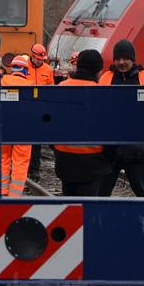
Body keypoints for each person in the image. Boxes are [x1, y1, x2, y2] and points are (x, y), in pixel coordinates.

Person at [98, 39, 144, 197]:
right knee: (100, 195)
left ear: (132, 59)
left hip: (136, 149)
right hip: (110, 149)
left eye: (125, 58)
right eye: (118, 59)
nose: (121, 62)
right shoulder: (105, 78)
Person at [53, 49, 114, 196]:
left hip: (64, 160)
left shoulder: (61, 88)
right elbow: (110, 130)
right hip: (92, 163)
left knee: (69, 205)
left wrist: (57, 148)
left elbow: (51, 123)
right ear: (98, 71)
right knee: (88, 209)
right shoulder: (102, 94)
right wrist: (109, 158)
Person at [0, 56, 35, 196]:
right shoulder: (31, 84)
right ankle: (15, 195)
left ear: (12, 68)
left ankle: (2, 191)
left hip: (3, 127)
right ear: (25, 70)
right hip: (24, 129)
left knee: (2, 159)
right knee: (20, 162)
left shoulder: (2, 80)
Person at [26, 44, 54, 182]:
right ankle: (25, 169)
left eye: (42, 59)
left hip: (40, 109)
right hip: (25, 108)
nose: (40, 61)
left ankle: (34, 170)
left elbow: (51, 89)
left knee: (36, 143)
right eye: (38, 59)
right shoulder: (24, 66)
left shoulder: (47, 70)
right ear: (32, 56)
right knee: (24, 142)